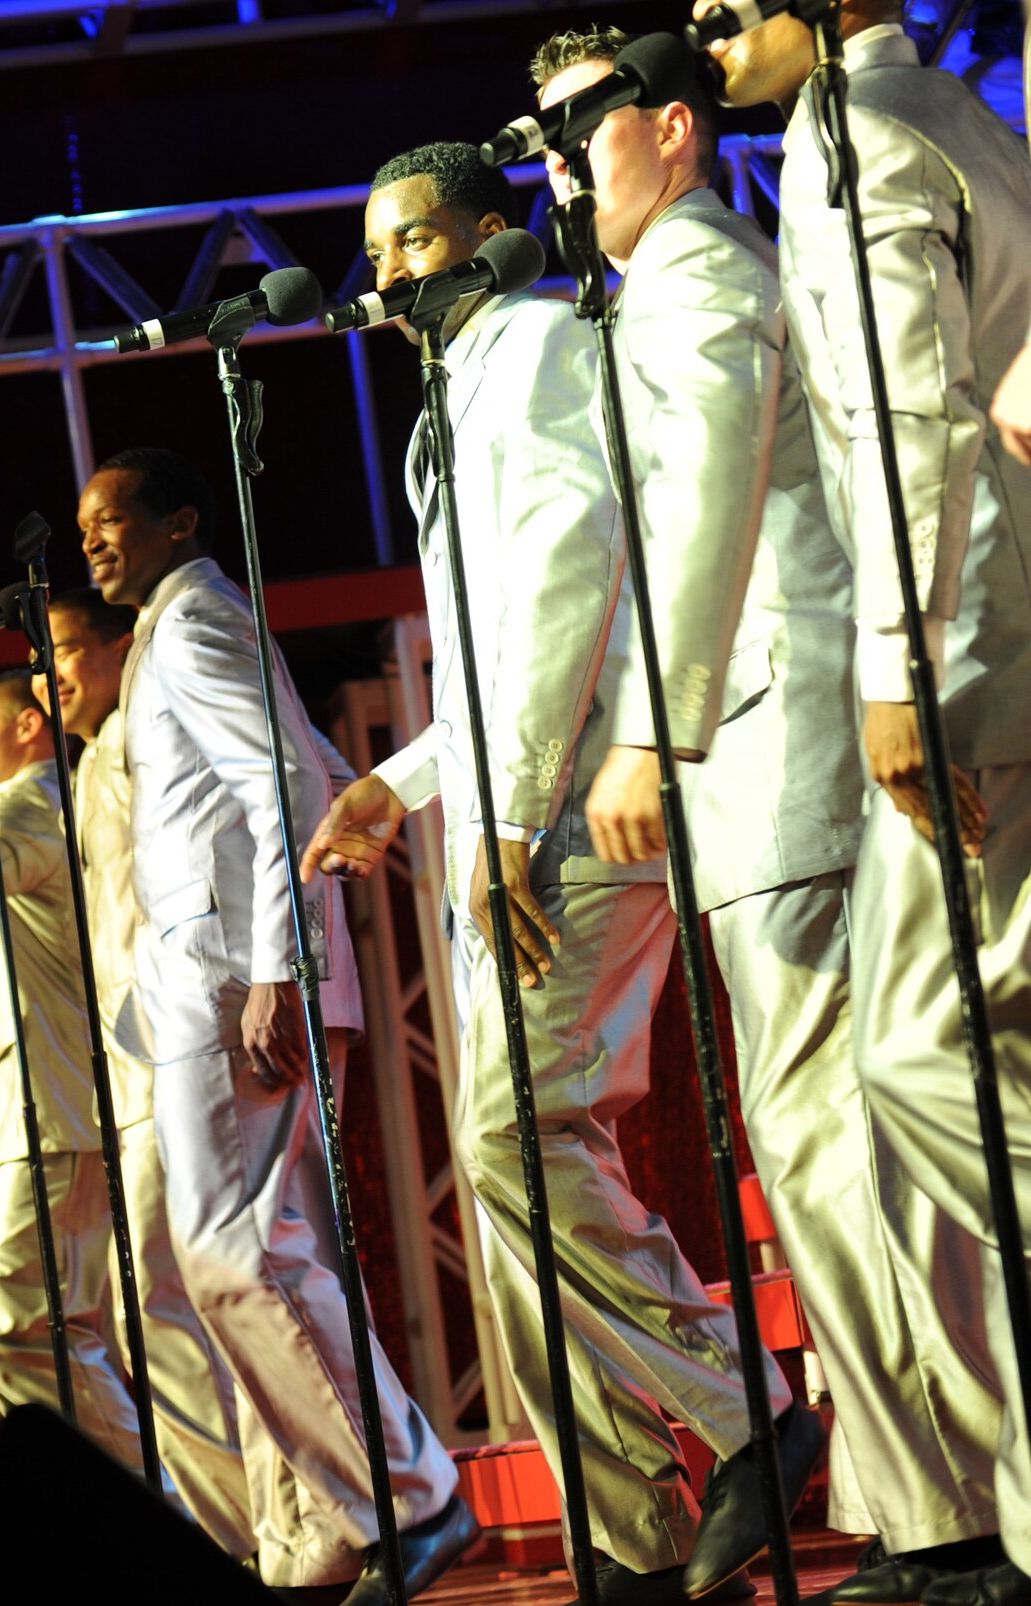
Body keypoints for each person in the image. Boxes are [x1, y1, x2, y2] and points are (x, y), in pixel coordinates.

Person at [302, 137, 765, 1606]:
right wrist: (400, 782)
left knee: (518, 1137)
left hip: (566, 811)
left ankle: (746, 1409)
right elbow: (492, 645)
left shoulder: (541, 347)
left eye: (415, 241)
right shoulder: (457, 393)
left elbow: (575, 576)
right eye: (376, 250)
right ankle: (626, 1534)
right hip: (510, 806)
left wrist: (503, 817)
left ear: (489, 234)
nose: (387, 272)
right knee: (514, 1167)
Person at [531, 24, 869, 1595]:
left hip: (777, 734)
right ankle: (922, 1495)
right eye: (540, 133)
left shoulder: (698, 276)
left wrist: (651, 735)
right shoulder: (653, 289)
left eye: (583, 122)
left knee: (829, 1127)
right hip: (755, 744)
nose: (556, 160)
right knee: (820, 1133)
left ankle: (956, 1509)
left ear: (673, 127)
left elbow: (715, 496)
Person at [704, 7, 1030, 1602]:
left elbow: (913, 410)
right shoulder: (965, 116)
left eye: (726, 10)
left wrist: (898, 664)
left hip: (965, 656)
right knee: (968, 1057)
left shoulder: (856, 131)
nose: (701, 31)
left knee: (930, 1059)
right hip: (993, 638)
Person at [82, 447, 471, 1600]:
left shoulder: (192, 621)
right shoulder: (178, 627)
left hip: (229, 982)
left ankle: (410, 1497)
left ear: (179, 522)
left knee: (233, 1254)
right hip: (221, 979)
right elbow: (306, 775)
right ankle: (352, 1515)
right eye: (83, 525)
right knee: (256, 1256)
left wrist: (278, 967)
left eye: (111, 519)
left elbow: (287, 786)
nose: (90, 540)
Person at [39, 584, 259, 1559]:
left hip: (184, 1035)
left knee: (186, 1290)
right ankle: (239, 1529)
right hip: (136, 1058)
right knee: (163, 1301)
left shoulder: (145, 730)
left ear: (116, 644)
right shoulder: (92, 759)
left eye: (63, 650)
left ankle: (247, 1533)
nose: (48, 677)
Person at [0, 670, 150, 1470]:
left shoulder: (38, 803)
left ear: (29, 726)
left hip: (56, 1109)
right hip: (15, 1121)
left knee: (24, 1331)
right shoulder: (16, 810)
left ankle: (158, 1518)